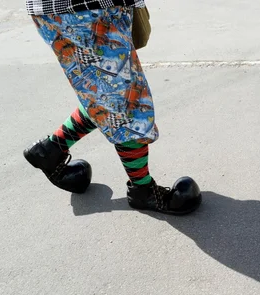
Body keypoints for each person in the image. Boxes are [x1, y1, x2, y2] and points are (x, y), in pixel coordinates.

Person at [23, 0, 201, 215]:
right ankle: (142, 190)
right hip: (84, 10)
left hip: (77, 10)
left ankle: (50, 150)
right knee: (127, 104)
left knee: (105, 96)